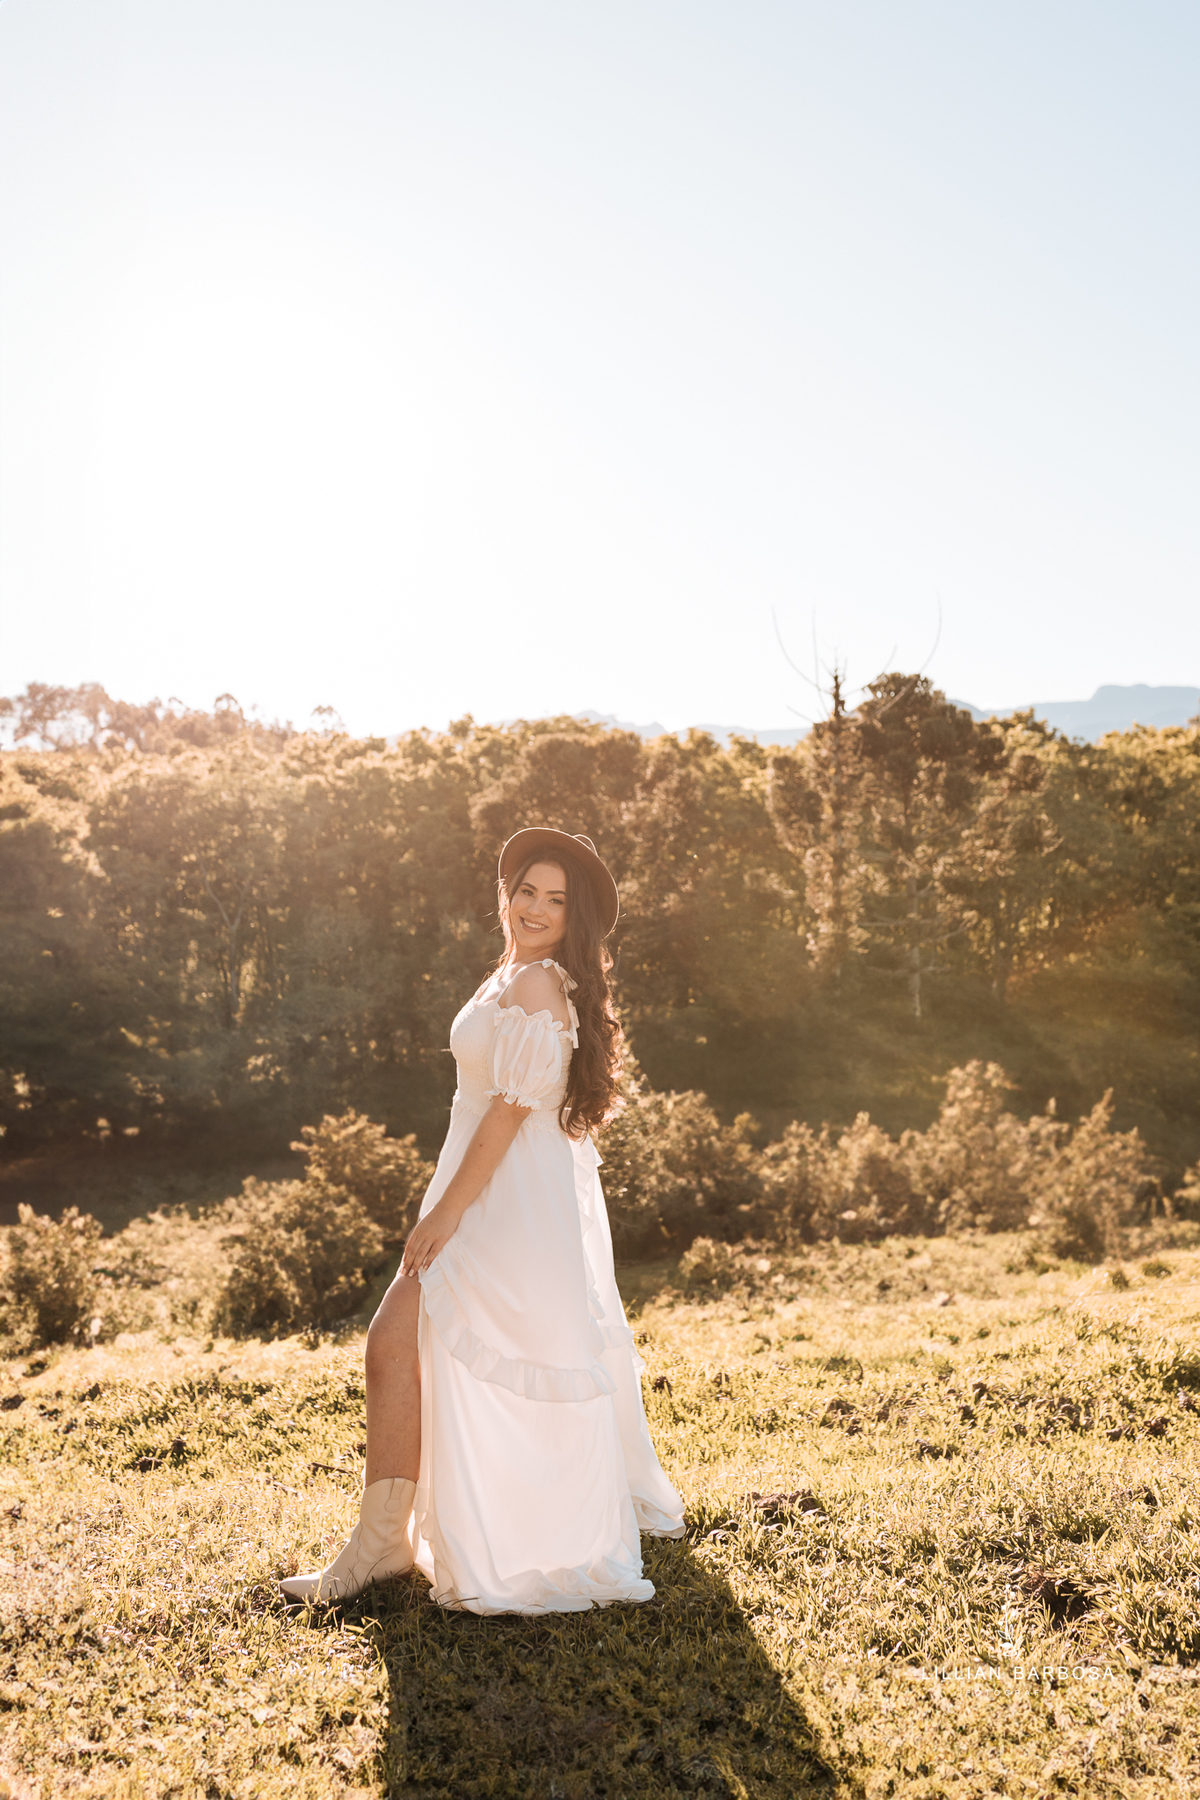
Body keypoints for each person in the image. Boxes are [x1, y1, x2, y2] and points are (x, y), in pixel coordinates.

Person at [281, 828, 685, 1614]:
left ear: (574, 918)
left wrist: (446, 1214)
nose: (535, 908)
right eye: (526, 890)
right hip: (483, 1187)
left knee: (398, 1339)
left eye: (555, 900)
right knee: (407, 1345)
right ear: (506, 893)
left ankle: (391, 1546)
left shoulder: (537, 986)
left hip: (503, 1201)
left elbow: (506, 1115)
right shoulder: (513, 973)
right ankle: (386, 1541)